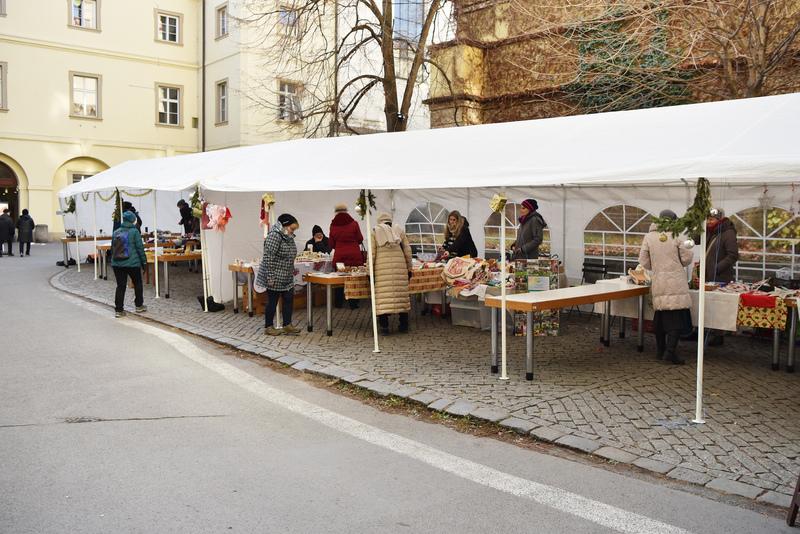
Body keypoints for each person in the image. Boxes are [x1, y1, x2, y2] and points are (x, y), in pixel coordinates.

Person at [639, 210, 694, 365]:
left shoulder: (649, 237)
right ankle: (670, 353)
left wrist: (657, 267)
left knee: (661, 318)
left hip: (658, 280)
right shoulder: (677, 235)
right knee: (675, 319)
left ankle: (660, 351)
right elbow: (687, 258)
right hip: (675, 280)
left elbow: (643, 261)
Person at [696, 207, 739, 346]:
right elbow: (695, 239)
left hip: (721, 276)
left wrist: (717, 268)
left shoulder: (728, 233)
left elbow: (733, 255)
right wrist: (699, 226)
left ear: (719, 219)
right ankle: (705, 332)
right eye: (707, 219)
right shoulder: (710, 231)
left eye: (711, 219)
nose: (709, 221)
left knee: (718, 306)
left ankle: (718, 335)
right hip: (708, 275)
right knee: (707, 305)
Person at [257, 213, 300, 336]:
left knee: (288, 299)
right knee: (272, 301)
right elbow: (268, 257)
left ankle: (287, 325)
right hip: (275, 275)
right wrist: (270, 276)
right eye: (292, 228)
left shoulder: (288, 236)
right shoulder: (274, 236)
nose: (292, 231)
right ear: (285, 225)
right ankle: (268, 327)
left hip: (286, 275)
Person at [371, 212, 413, 335]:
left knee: (383, 297)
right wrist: (409, 268)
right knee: (402, 295)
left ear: (379, 221)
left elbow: (372, 254)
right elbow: (407, 250)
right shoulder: (399, 230)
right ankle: (404, 325)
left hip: (381, 268)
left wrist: (369, 272)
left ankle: (384, 327)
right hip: (399, 266)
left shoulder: (375, 231)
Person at [111, 211, 148, 318]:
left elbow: (112, 248)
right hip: (132, 263)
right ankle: (139, 306)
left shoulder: (116, 232)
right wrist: (144, 262)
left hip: (117, 264)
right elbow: (140, 248)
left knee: (120, 286)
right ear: (133, 220)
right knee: (137, 283)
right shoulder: (134, 231)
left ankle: (119, 310)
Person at [329, 204, 364, 308]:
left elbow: (331, 243)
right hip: (354, 256)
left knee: (340, 278)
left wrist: (339, 245)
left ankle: (338, 303)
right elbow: (360, 239)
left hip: (340, 257)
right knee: (354, 278)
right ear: (346, 211)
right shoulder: (354, 224)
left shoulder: (333, 225)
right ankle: (353, 303)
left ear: (336, 212)